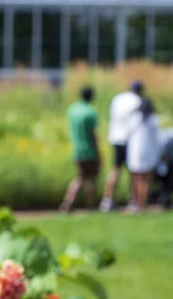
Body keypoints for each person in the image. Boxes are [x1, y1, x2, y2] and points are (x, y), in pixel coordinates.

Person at [100, 80, 144, 212]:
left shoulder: (118, 98)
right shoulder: (137, 100)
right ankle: (133, 200)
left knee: (116, 169)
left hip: (116, 138)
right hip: (130, 139)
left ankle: (107, 200)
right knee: (134, 171)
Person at [59, 86, 100, 212]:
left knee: (80, 177)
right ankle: (90, 205)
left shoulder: (73, 109)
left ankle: (68, 202)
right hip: (89, 150)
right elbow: (93, 134)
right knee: (91, 179)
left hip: (77, 149)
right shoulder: (90, 111)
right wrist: (98, 151)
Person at [126, 97, 160, 213]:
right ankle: (143, 204)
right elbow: (156, 138)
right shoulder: (153, 120)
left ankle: (136, 202)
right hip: (148, 152)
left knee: (136, 179)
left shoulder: (134, 119)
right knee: (146, 180)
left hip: (135, 152)